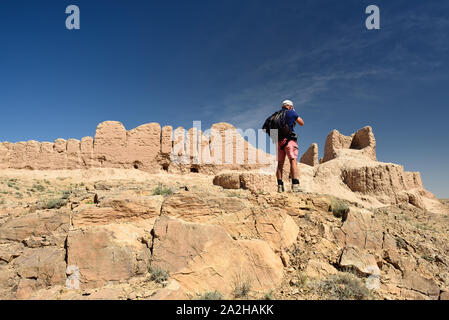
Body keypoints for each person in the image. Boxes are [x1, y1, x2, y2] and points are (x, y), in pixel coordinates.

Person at [276, 100, 304, 193]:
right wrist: (294, 113)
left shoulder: (277, 115)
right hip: (289, 140)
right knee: (293, 161)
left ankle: (280, 186)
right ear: (290, 106)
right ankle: (295, 185)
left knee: (280, 164)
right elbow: (301, 122)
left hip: (279, 142)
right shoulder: (291, 112)